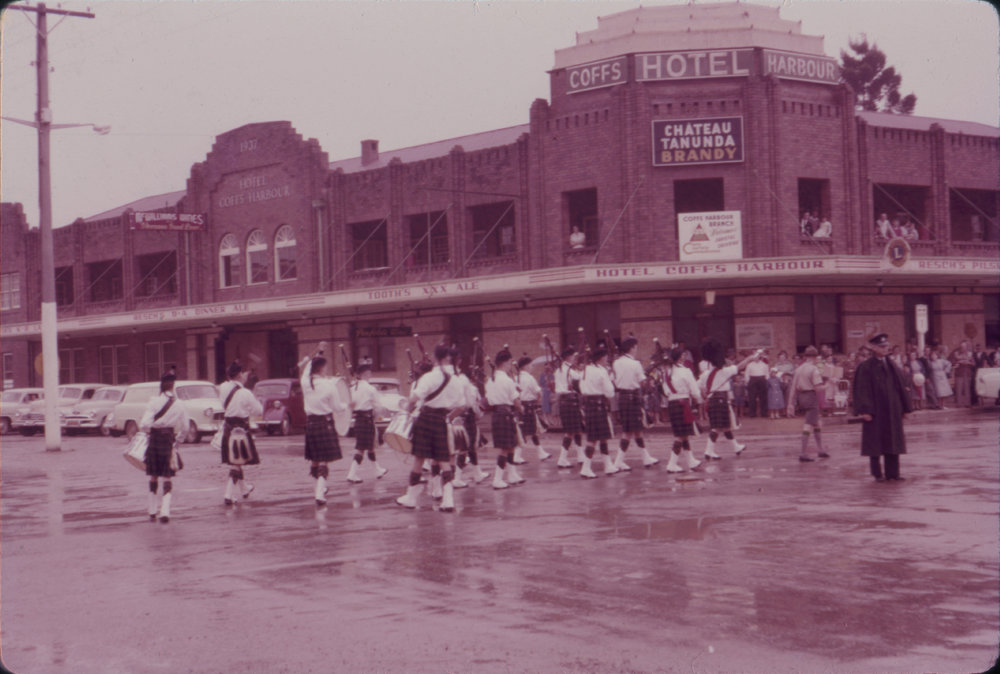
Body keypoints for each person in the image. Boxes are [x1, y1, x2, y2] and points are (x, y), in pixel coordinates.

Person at [396, 344, 467, 510]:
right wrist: (447, 418)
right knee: (443, 460)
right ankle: (448, 500)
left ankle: (411, 497)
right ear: (448, 357)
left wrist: (407, 411)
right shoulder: (456, 380)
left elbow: (414, 398)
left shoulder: (428, 377)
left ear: (435, 358)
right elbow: (462, 406)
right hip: (442, 420)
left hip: (425, 419)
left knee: (419, 458)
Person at [852, 333, 912, 482]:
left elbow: (900, 386)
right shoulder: (866, 367)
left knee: (893, 441)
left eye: (886, 346)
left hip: (892, 410)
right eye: (882, 346)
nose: (886, 348)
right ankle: (877, 474)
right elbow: (861, 389)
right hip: (876, 411)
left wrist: (905, 408)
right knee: (875, 442)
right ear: (873, 348)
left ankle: (893, 473)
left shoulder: (891, 365)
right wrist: (864, 411)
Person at [301, 343, 349, 507]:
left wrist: (319, 351)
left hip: (311, 424)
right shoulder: (329, 386)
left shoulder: (305, 383)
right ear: (321, 369)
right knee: (323, 461)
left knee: (315, 459)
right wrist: (348, 405)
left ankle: (319, 487)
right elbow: (337, 408)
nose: (326, 371)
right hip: (324, 423)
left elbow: (307, 368)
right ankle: (319, 493)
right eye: (325, 368)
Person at [139, 370, 190, 523]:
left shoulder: (153, 402)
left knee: (153, 474)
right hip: (169, 440)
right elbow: (186, 428)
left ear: (161, 385)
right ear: (173, 385)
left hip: (154, 439)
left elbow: (144, 424)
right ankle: (165, 512)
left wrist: (152, 431)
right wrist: (178, 442)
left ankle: (152, 511)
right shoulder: (180, 404)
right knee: (167, 475)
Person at [697, 339, 757, 460]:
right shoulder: (724, 371)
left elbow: (699, 387)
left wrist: (703, 396)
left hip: (712, 400)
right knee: (717, 427)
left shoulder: (705, 374)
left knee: (725, 426)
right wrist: (751, 357)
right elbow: (740, 366)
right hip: (721, 400)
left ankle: (736, 447)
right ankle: (708, 451)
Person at [219, 361, 263, 506]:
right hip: (241, 429)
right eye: (243, 373)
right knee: (236, 463)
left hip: (228, 427)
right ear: (239, 375)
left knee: (236, 460)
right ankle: (228, 494)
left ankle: (244, 489)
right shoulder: (245, 393)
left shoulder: (223, 387)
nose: (245, 375)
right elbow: (258, 411)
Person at [484, 349, 524, 489]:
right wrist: (521, 408)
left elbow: (488, 399)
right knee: (504, 448)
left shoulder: (490, 380)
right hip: (505, 413)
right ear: (505, 362)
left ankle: (512, 475)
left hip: (497, 414)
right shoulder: (506, 379)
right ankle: (497, 479)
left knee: (511, 445)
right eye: (509, 363)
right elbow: (516, 401)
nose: (510, 366)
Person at [611, 336, 653, 470]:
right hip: (633, 396)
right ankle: (619, 461)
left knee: (635, 430)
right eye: (635, 347)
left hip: (622, 396)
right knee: (629, 431)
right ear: (631, 348)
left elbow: (613, 380)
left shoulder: (616, 362)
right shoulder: (635, 364)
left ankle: (645, 458)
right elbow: (642, 382)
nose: (636, 349)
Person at [345, 363, 389, 484]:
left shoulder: (352, 388)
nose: (370, 375)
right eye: (369, 373)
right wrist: (377, 415)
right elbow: (378, 407)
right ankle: (352, 474)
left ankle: (377, 470)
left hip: (358, 419)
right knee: (361, 448)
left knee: (370, 447)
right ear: (366, 374)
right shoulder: (370, 388)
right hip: (367, 419)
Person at [661, 347, 703, 473]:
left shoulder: (667, 372)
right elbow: (694, 389)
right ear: (679, 357)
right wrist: (699, 399)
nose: (685, 357)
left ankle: (691, 461)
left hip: (672, 403)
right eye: (683, 355)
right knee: (680, 436)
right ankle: (672, 464)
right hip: (683, 403)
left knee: (684, 435)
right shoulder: (686, 371)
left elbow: (665, 391)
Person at [578, 348, 617, 478]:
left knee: (602, 437)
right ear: (600, 358)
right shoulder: (601, 371)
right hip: (598, 405)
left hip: (589, 404)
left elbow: (580, 387)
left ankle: (608, 465)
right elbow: (610, 392)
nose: (607, 360)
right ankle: (586, 468)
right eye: (606, 357)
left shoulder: (585, 369)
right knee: (594, 439)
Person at [787, 346, 829, 462]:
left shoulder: (799, 369)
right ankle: (803, 453)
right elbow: (818, 388)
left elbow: (793, 388)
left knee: (816, 422)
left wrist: (790, 404)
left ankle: (820, 450)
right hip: (811, 396)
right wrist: (829, 384)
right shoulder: (813, 369)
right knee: (808, 424)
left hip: (801, 397)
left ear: (805, 357)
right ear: (815, 357)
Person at [514, 356, 551, 463]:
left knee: (532, 431)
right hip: (529, 406)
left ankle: (541, 452)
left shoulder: (516, 377)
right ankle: (516, 456)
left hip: (520, 405)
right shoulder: (529, 378)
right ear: (525, 366)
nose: (532, 367)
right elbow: (538, 392)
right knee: (524, 432)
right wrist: (537, 400)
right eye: (531, 365)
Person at [553, 347, 585, 468]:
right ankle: (562, 459)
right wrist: (584, 369)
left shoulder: (559, 370)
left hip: (565, 401)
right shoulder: (568, 370)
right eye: (573, 356)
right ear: (568, 357)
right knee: (570, 432)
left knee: (576, 430)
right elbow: (580, 378)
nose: (574, 358)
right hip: (570, 401)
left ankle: (580, 455)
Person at [744, 351, 769, 417]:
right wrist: (748, 381)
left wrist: (766, 381)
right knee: (752, 398)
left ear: (759, 357)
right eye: (754, 357)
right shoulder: (749, 365)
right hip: (752, 380)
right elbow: (746, 374)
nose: (756, 358)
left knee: (763, 398)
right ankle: (752, 414)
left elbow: (767, 374)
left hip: (762, 380)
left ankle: (764, 413)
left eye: (757, 357)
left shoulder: (764, 364)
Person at [950, 341, 975, 407]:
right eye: (961, 346)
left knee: (967, 389)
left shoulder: (970, 354)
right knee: (958, 389)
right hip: (959, 373)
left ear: (966, 347)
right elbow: (952, 362)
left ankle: (967, 403)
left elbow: (973, 363)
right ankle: (959, 404)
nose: (963, 348)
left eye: (964, 346)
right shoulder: (956, 353)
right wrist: (958, 362)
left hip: (967, 373)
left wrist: (968, 363)